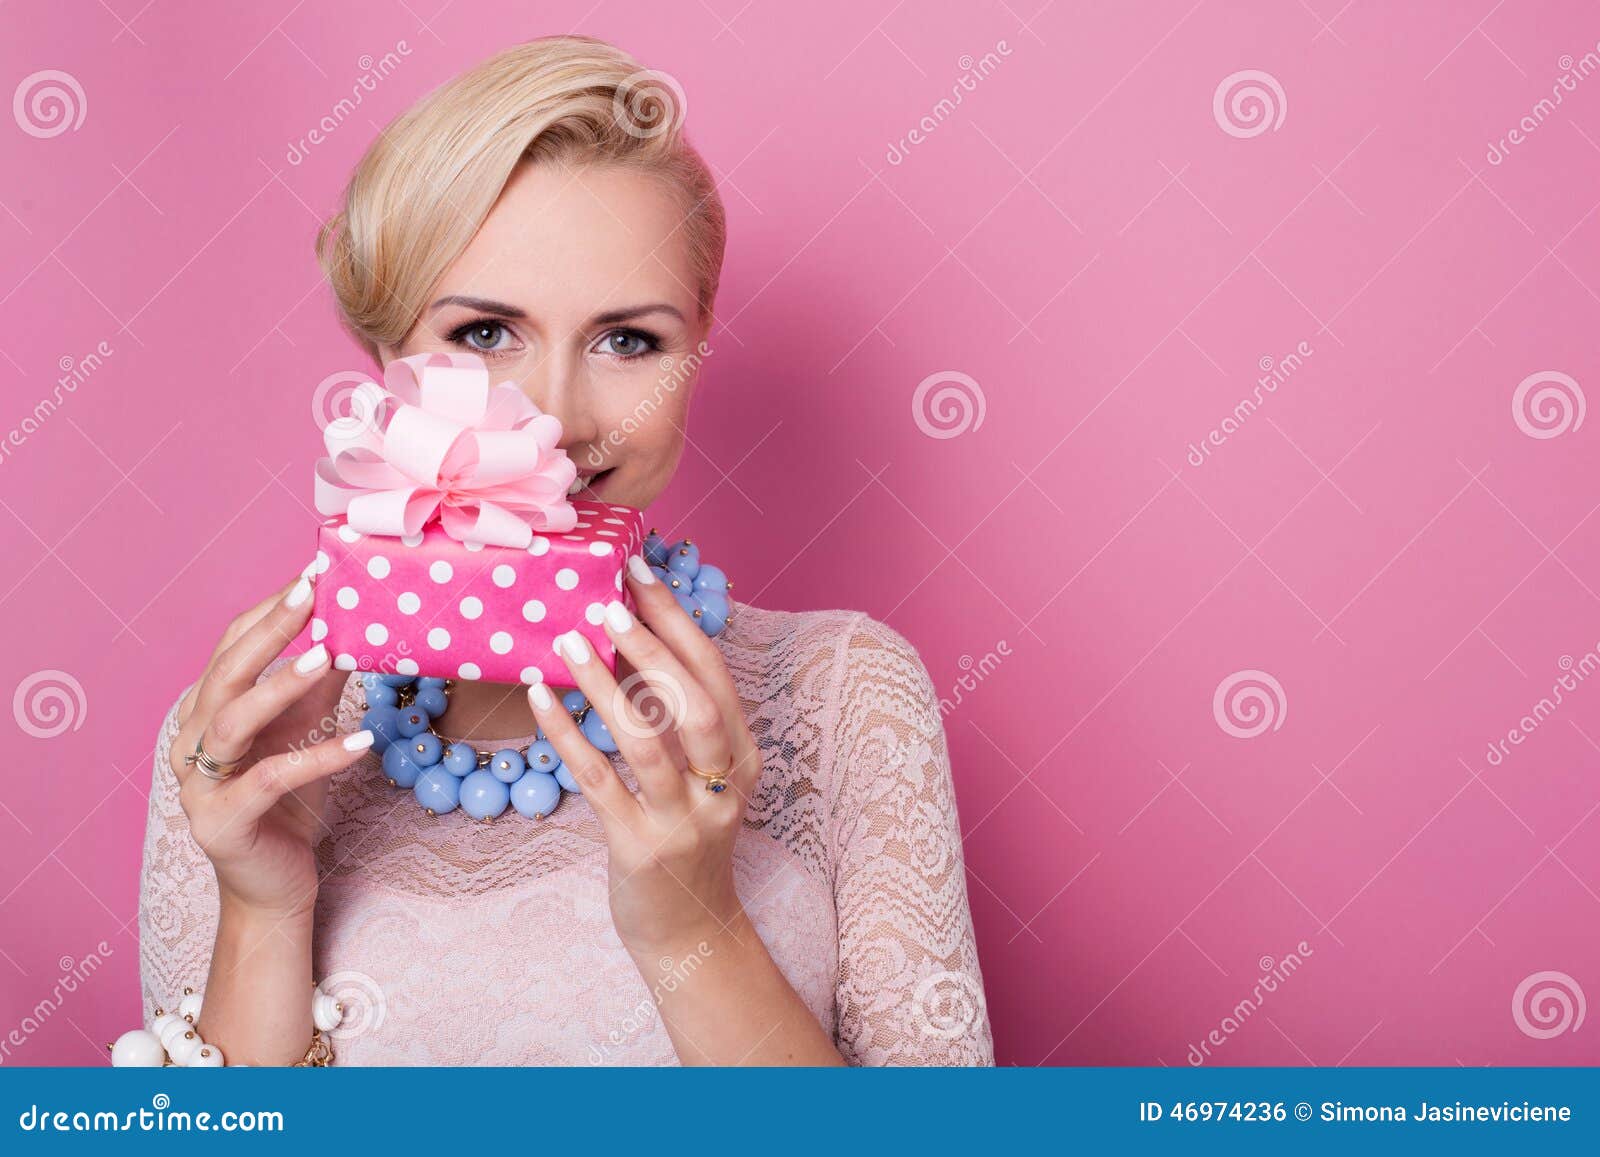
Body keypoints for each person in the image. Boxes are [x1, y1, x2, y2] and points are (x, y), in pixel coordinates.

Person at [139, 34, 991, 1066]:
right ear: (383, 356)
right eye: (486, 334)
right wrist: (263, 908)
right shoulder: (249, 742)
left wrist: (694, 927)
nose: (548, 417)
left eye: (628, 340)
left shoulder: (841, 693)